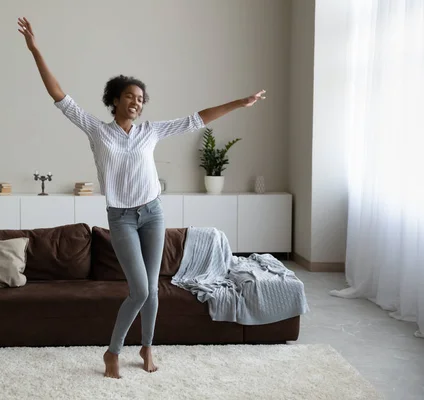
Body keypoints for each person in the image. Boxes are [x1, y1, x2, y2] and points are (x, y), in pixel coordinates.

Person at [17, 16, 266, 379]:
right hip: (121, 218)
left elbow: (198, 119)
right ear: (114, 100)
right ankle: (113, 351)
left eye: (140, 99)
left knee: (154, 291)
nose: (136, 102)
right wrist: (36, 50)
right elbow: (59, 95)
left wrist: (240, 103)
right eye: (129, 97)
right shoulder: (97, 131)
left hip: (153, 214)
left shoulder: (151, 131)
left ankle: (148, 345)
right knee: (140, 289)